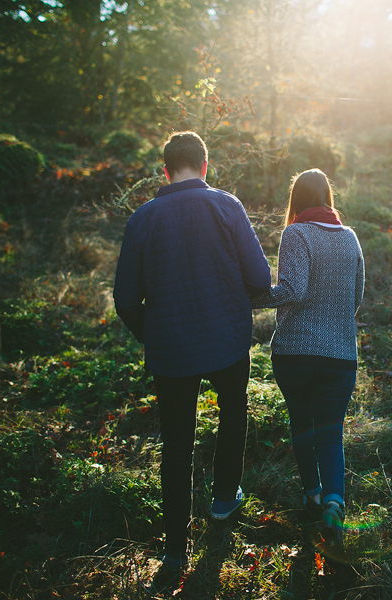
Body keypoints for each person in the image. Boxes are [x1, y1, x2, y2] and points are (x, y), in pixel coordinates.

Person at [113, 131, 271, 584]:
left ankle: (176, 551)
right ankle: (224, 501)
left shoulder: (142, 218)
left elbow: (125, 300)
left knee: (177, 445)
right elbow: (260, 278)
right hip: (226, 342)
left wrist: (154, 334)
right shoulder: (227, 206)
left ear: (165, 170)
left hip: (171, 353)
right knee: (233, 414)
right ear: (205, 166)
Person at [251, 168, 364, 560]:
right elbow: (356, 297)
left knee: (302, 425)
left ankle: (312, 498)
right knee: (331, 434)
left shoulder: (296, 233)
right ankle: (334, 503)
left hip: (296, 353)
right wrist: (335, 324)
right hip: (340, 356)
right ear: (329, 198)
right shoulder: (350, 238)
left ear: (296, 200)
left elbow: (292, 291)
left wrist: (248, 297)